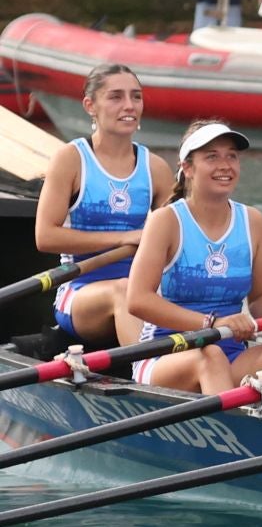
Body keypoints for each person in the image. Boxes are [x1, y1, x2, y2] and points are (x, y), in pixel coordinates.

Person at [122, 122, 262, 391]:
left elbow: (260, 298)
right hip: (167, 355)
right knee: (210, 357)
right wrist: (212, 323)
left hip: (231, 352)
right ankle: (234, 418)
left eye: (231, 156)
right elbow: (138, 300)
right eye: (212, 157)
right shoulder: (166, 221)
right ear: (187, 168)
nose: (225, 165)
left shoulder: (253, 221)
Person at [34, 64, 172, 346]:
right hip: (80, 292)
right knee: (122, 291)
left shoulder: (156, 168)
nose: (129, 105)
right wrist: (123, 237)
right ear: (90, 106)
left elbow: (179, 237)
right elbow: (45, 236)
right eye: (116, 97)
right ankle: (147, 369)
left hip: (141, 290)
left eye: (136, 96)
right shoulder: (70, 159)